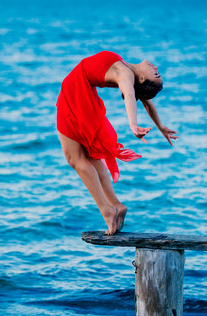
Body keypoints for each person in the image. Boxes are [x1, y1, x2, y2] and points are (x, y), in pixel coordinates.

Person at [56, 51, 178, 235]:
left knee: (76, 158)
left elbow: (130, 95)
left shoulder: (125, 74)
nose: (156, 67)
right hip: (83, 92)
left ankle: (107, 210)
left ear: (143, 78)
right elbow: (144, 101)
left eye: (156, 74)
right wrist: (160, 126)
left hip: (75, 93)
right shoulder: (128, 71)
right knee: (88, 157)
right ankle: (115, 205)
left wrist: (133, 124)